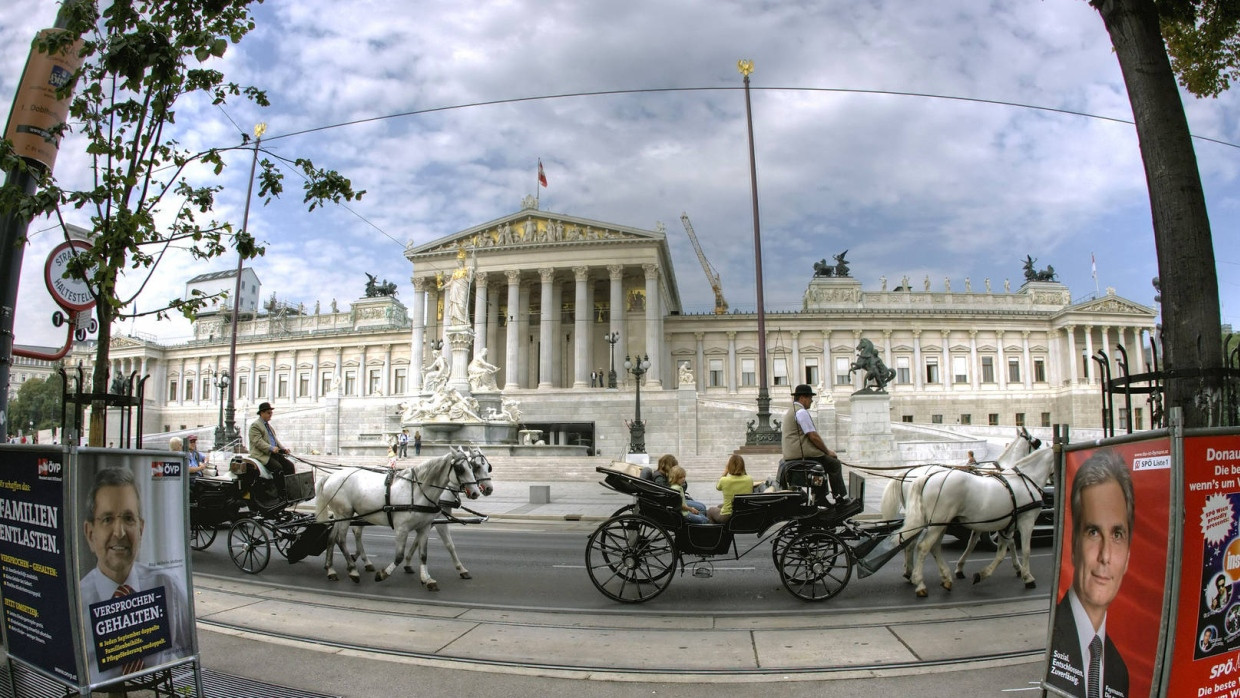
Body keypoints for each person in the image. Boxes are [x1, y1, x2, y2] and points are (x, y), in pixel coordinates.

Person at [80, 467, 192, 683]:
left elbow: (190, 651)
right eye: (107, 519)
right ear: (90, 533)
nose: (119, 532)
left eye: (128, 518)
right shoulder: (75, 603)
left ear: (141, 529)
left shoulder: (166, 585)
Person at [1045, 448, 1132, 698]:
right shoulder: (1054, 639)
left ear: (1127, 557)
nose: (1105, 556)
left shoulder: (1119, 670)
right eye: (1093, 531)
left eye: (1117, 535)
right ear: (1072, 545)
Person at [780, 384, 849, 506]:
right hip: (801, 454)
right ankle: (839, 497)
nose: (812, 401)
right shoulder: (801, 412)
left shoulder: (792, 410)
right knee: (834, 464)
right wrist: (827, 451)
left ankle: (820, 496)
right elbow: (813, 436)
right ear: (802, 398)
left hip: (792, 453)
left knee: (825, 464)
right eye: (810, 398)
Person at [248, 402, 295, 496]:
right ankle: (280, 493)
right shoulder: (255, 425)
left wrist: (283, 449)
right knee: (278, 468)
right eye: (268, 413)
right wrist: (271, 448)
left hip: (273, 453)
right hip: (262, 454)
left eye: (271, 413)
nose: (270, 415)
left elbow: (275, 440)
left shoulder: (268, 426)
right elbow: (258, 442)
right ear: (262, 413)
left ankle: (290, 490)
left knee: (290, 466)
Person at [707, 454, 754, 524]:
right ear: (743, 466)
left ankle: (716, 532)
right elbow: (745, 475)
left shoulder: (724, 480)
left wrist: (725, 471)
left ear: (729, 467)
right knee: (719, 506)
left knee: (710, 510)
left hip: (727, 516)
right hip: (743, 514)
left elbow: (717, 487)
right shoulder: (749, 479)